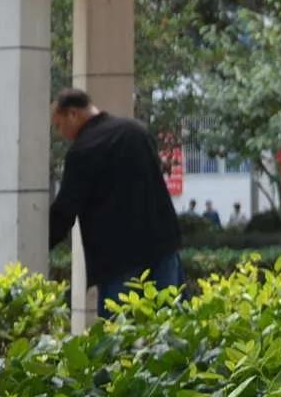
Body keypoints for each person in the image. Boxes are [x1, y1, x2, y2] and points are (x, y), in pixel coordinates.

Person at [50, 87, 182, 308]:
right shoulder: (137, 131)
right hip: (163, 248)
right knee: (169, 330)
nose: (61, 133)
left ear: (72, 114)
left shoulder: (83, 151)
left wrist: (37, 244)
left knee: (119, 337)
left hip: (118, 261)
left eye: (59, 126)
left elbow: (65, 211)